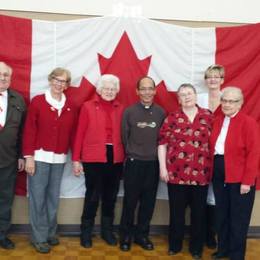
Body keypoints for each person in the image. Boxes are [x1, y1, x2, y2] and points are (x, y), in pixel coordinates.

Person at [23, 68, 77, 253]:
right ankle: (38, 237)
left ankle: (50, 232)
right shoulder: (38, 101)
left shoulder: (70, 105)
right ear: (50, 80)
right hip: (38, 157)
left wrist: (77, 158)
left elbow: (73, 134)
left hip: (59, 159)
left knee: (53, 197)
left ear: (67, 85)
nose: (59, 84)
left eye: (64, 81)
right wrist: (28, 156)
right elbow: (29, 130)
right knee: (38, 198)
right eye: (56, 79)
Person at [158, 83, 213, 260]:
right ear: (179, 99)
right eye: (182, 94)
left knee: (198, 214)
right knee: (177, 213)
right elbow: (162, 144)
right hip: (176, 174)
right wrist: (162, 168)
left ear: (196, 96)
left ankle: (196, 248)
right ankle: (175, 245)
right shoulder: (172, 117)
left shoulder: (208, 116)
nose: (186, 96)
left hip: (201, 174)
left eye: (189, 93)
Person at [72, 74, 124, 248]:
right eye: (106, 88)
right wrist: (76, 159)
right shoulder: (87, 107)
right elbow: (79, 133)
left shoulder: (121, 108)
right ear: (99, 90)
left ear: (117, 91)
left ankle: (107, 231)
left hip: (115, 156)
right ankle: (86, 232)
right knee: (93, 196)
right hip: (93, 157)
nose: (109, 92)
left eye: (112, 89)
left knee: (110, 196)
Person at [210, 87, 260, 260]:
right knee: (221, 215)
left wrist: (248, 181)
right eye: (224, 100)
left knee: (238, 219)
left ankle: (236, 255)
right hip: (219, 177)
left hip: (240, 179)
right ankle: (222, 249)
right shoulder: (216, 121)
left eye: (232, 101)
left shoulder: (248, 123)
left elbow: (254, 154)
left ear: (240, 103)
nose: (227, 104)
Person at [119, 76, 165, 251]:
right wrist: (133, 152)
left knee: (148, 202)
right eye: (143, 89)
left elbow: (163, 140)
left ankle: (142, 235)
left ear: (155, 91)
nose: (147, 92)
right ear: (137, 91)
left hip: (153, 164)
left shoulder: (161, 112)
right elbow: (124, 137)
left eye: (150, 88)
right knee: (130, 202)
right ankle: (126, 236)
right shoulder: (129, 112)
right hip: (134, 163)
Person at [197, 64, 225, 249]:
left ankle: (212, 234)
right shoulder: (199, 98)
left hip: (220, 152)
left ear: (222, 80)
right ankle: (200, 233)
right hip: (199, 152)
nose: (213, 79)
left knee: (215, 195)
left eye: (216, 76)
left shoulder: (228, 97)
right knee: (201, 194)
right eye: (209, 76)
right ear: (205, 80)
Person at [0, 62, 26, 250]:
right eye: (0, 74)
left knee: (5, 199)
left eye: (6, 75)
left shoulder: (18, 99)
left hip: (8, 160)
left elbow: (23, 132)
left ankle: (1, 234)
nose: (2, 78)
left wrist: (21, 156)